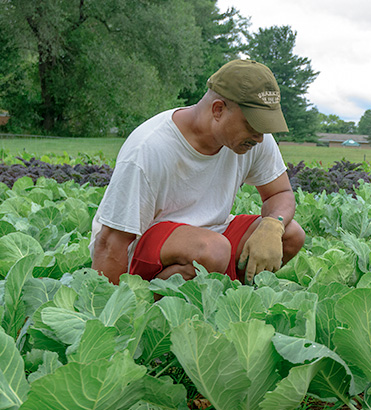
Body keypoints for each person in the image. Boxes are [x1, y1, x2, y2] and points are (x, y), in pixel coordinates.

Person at [90, 59, 305, 285]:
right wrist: (109, 307)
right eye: (252, 125)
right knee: (214, 250)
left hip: (209, 240)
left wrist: (274, 224)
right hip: (140, 248)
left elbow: (279, 193)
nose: (260, 137)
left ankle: (227, 293)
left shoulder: (255, 139)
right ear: (218, 109)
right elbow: (112, 242)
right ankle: (148, 303)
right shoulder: (148, 147)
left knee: (290, 235)